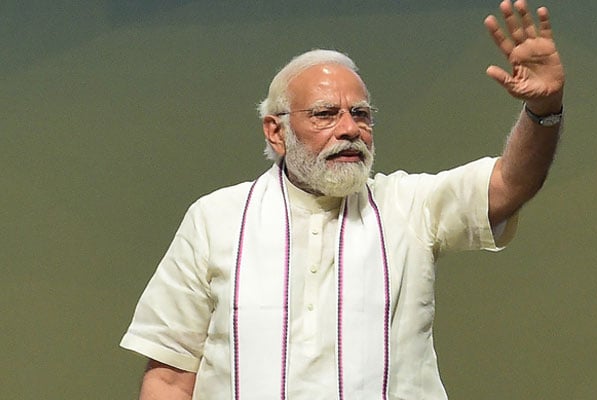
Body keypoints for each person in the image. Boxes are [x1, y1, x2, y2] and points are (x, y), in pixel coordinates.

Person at [120, 0, 565, 398]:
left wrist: (544, 111)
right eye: (325, 114)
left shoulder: (409, 207)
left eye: (361, 114)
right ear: (276, 132)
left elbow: (511, 184)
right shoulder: (215, 219)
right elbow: (170, 377)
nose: (349, 128)